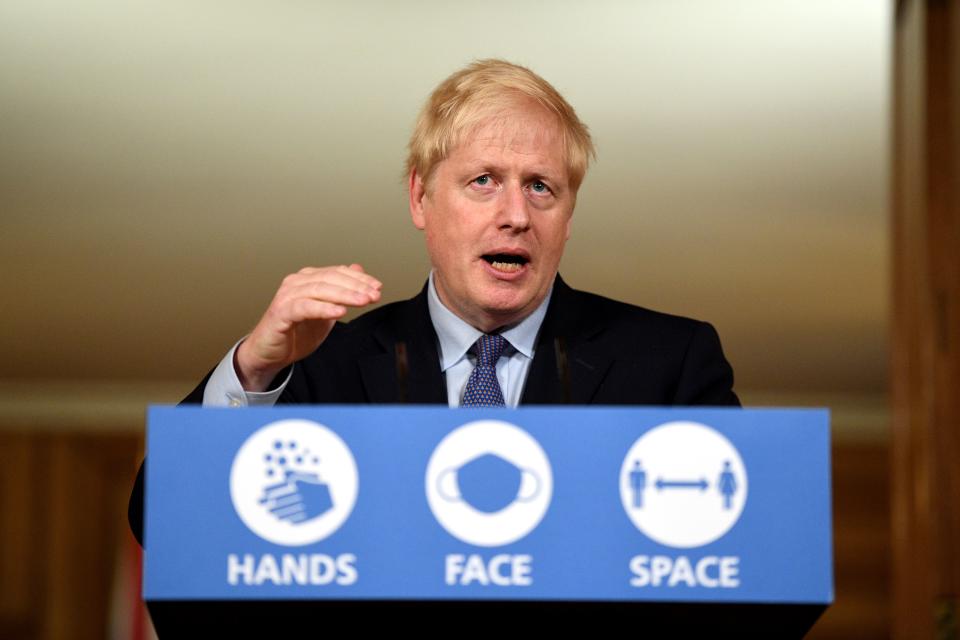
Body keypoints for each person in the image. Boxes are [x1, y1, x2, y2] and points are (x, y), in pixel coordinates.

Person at [129, 59, 738, 545]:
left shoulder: (668, 363)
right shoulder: (323, 368)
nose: (516, 216)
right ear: (421, 199)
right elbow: (166, 524)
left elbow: (738, 558)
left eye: (541, 187)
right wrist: (255, 370)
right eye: (484, 181)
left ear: (568, 215)